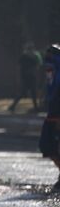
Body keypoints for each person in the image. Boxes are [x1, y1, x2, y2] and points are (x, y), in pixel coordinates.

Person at [39, 45, 60, 190]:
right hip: (53, 111)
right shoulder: (51, 70)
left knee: (47, 144)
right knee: (48, 145)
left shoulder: (55, 67)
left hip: (56, 112)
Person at [9, 43, 42, 113]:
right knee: (22, 93)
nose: (30, 51)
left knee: (33, 93)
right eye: (29, 49)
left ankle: (36, 108)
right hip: (25, 78)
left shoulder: (34, 57)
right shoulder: (23, 57)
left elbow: (37, 66)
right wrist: (19, 78)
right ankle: (12, 106)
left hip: (32, 77)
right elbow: (19, 67)